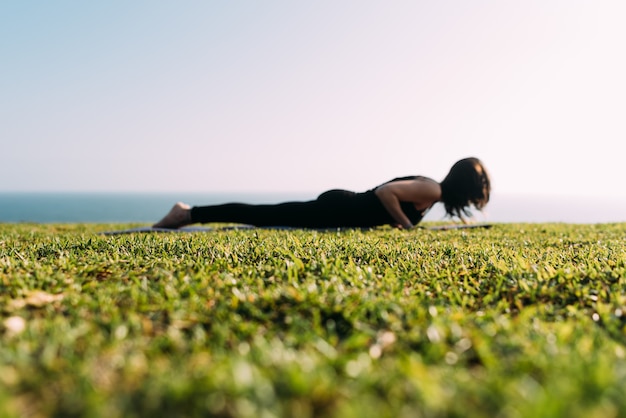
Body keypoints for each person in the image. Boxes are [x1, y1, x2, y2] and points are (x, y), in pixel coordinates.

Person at [153, 157, 490, 230]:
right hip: (337, 208)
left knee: (266, 216)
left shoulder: (434, 196)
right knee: (263, 216)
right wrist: (405, 224)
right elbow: (386, 192)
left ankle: (190, 213)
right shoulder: (431, 188)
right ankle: (187, 213)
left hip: (341, 212)